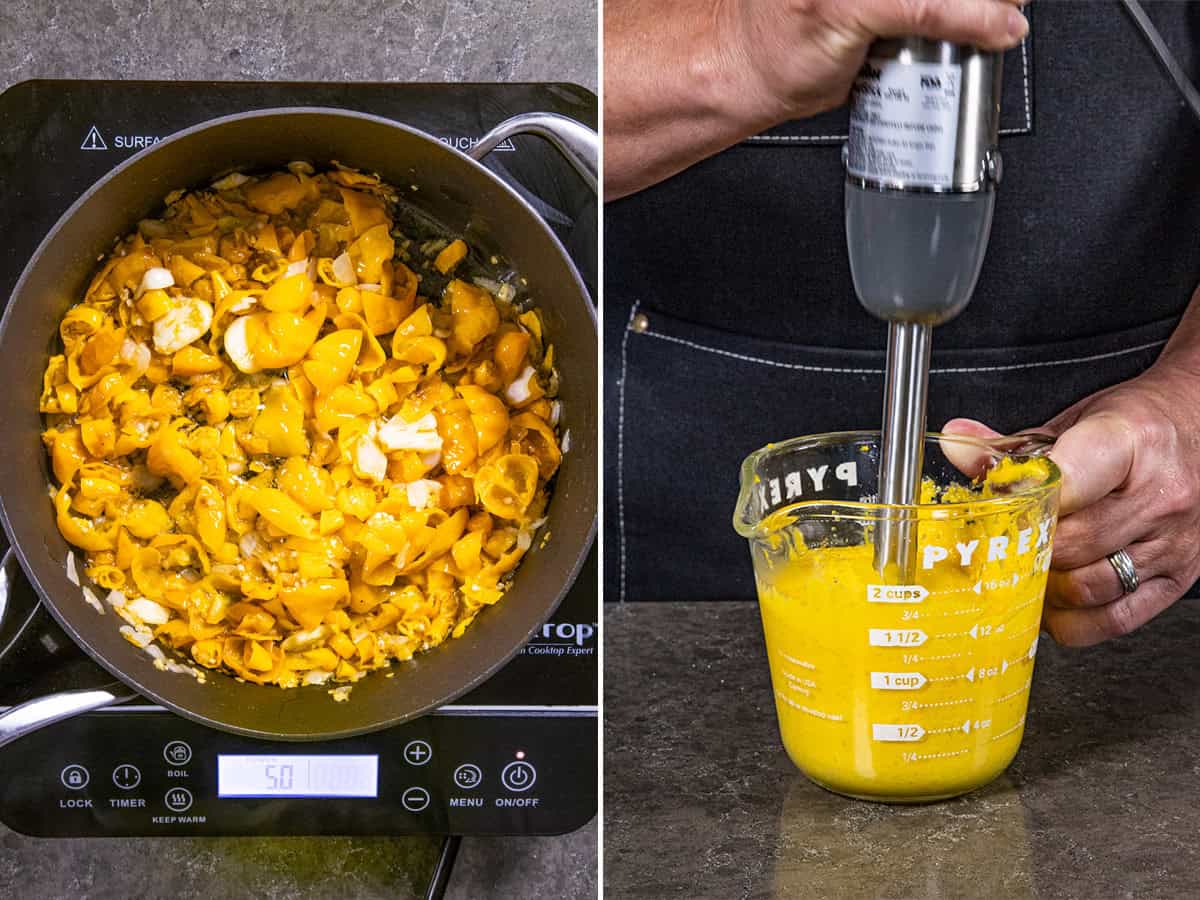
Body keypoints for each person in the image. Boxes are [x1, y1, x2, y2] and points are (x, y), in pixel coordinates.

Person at [604, 0, 1200, 647]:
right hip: (665, 542)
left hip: (1122, 552)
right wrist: (732, 48)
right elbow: (500, 127)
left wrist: (1190, 406)